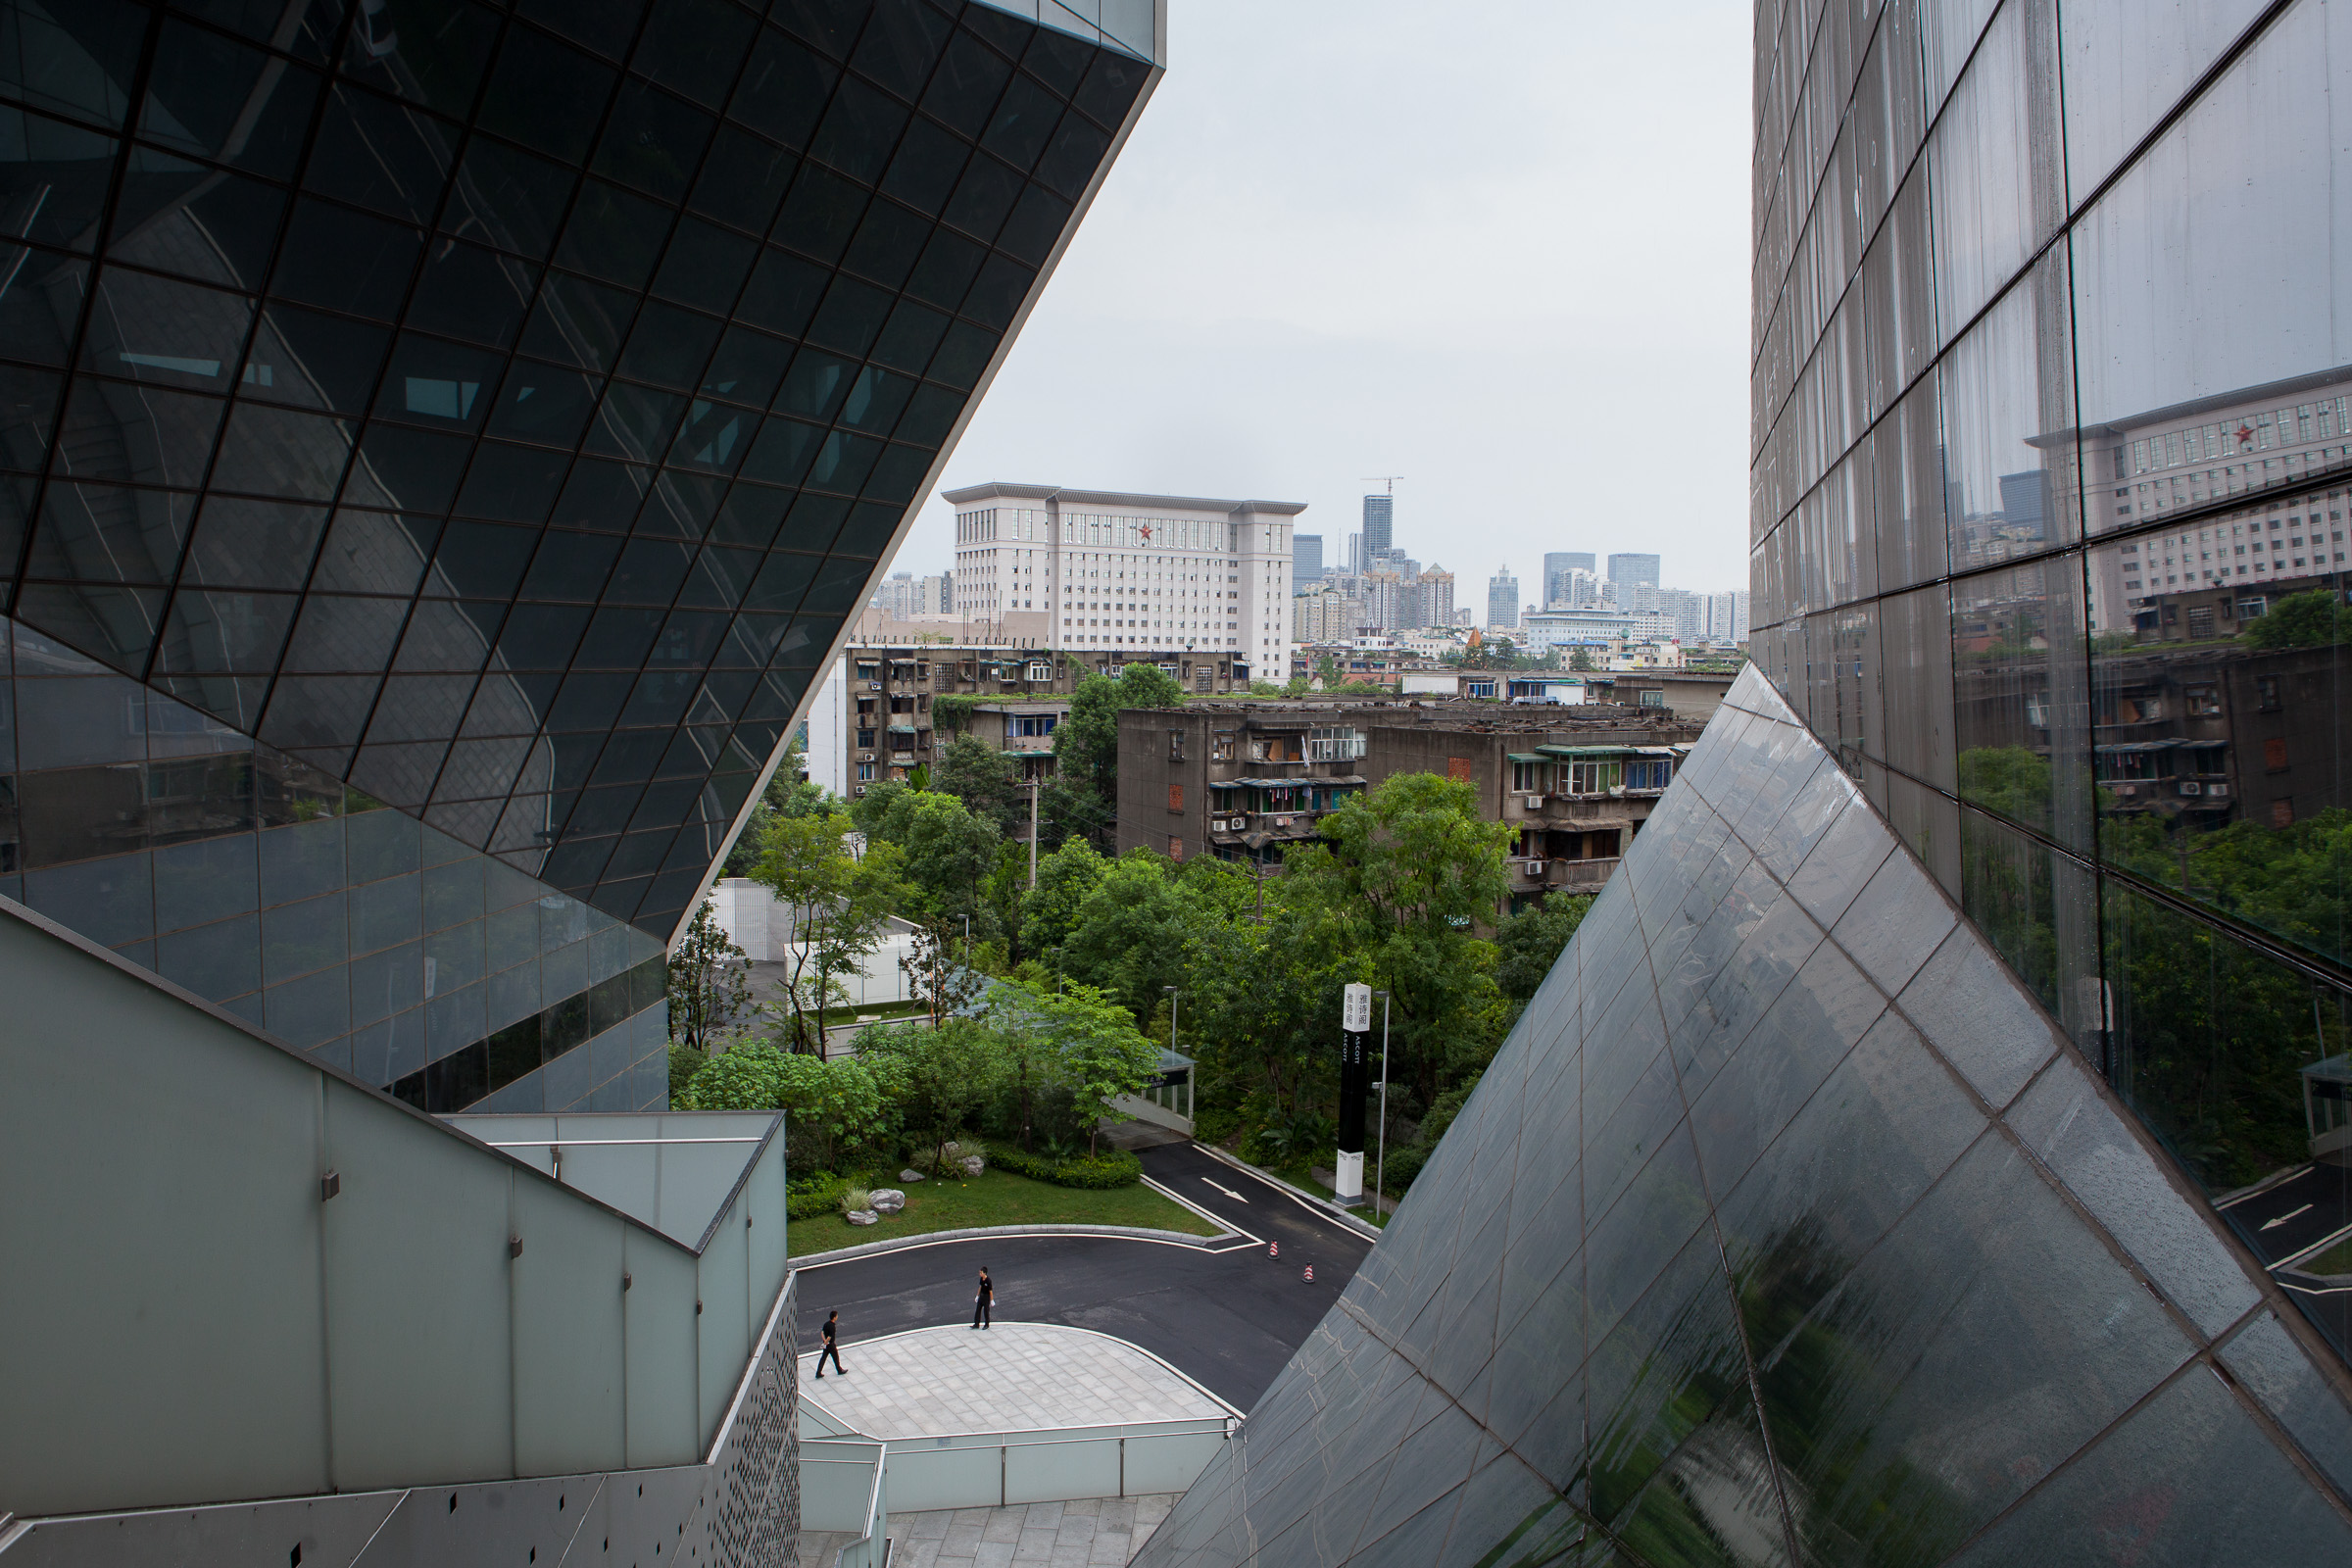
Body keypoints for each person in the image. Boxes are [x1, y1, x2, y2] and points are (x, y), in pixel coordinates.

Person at [815, 1309, 846, 1377]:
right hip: (830, 1345)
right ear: (834, 1317)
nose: (837, 1317)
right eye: (836, 1316)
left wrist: (824, 1341)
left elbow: (822, 1332)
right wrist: (825, 1343)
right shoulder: (832, 1326)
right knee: (836, 1357)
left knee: (823, 1358)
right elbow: (830, 1337)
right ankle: (839, 1370)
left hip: (826, 1345)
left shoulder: (826, 1324)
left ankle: (818, 1372)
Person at [971, 1265, 993, 1330]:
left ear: (984, 1273)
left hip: (986, 1297)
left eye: (981, 1273)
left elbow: (990, 1291)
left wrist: (991, 1300)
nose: (980, 1274)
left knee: (986, 1311)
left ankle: (987, 1324)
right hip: (981, 1296)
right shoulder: (981, 1279)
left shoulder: (988, 1280)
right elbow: (980, 1287)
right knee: (978, 1310)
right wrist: (977, 1296)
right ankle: (976, 1324)